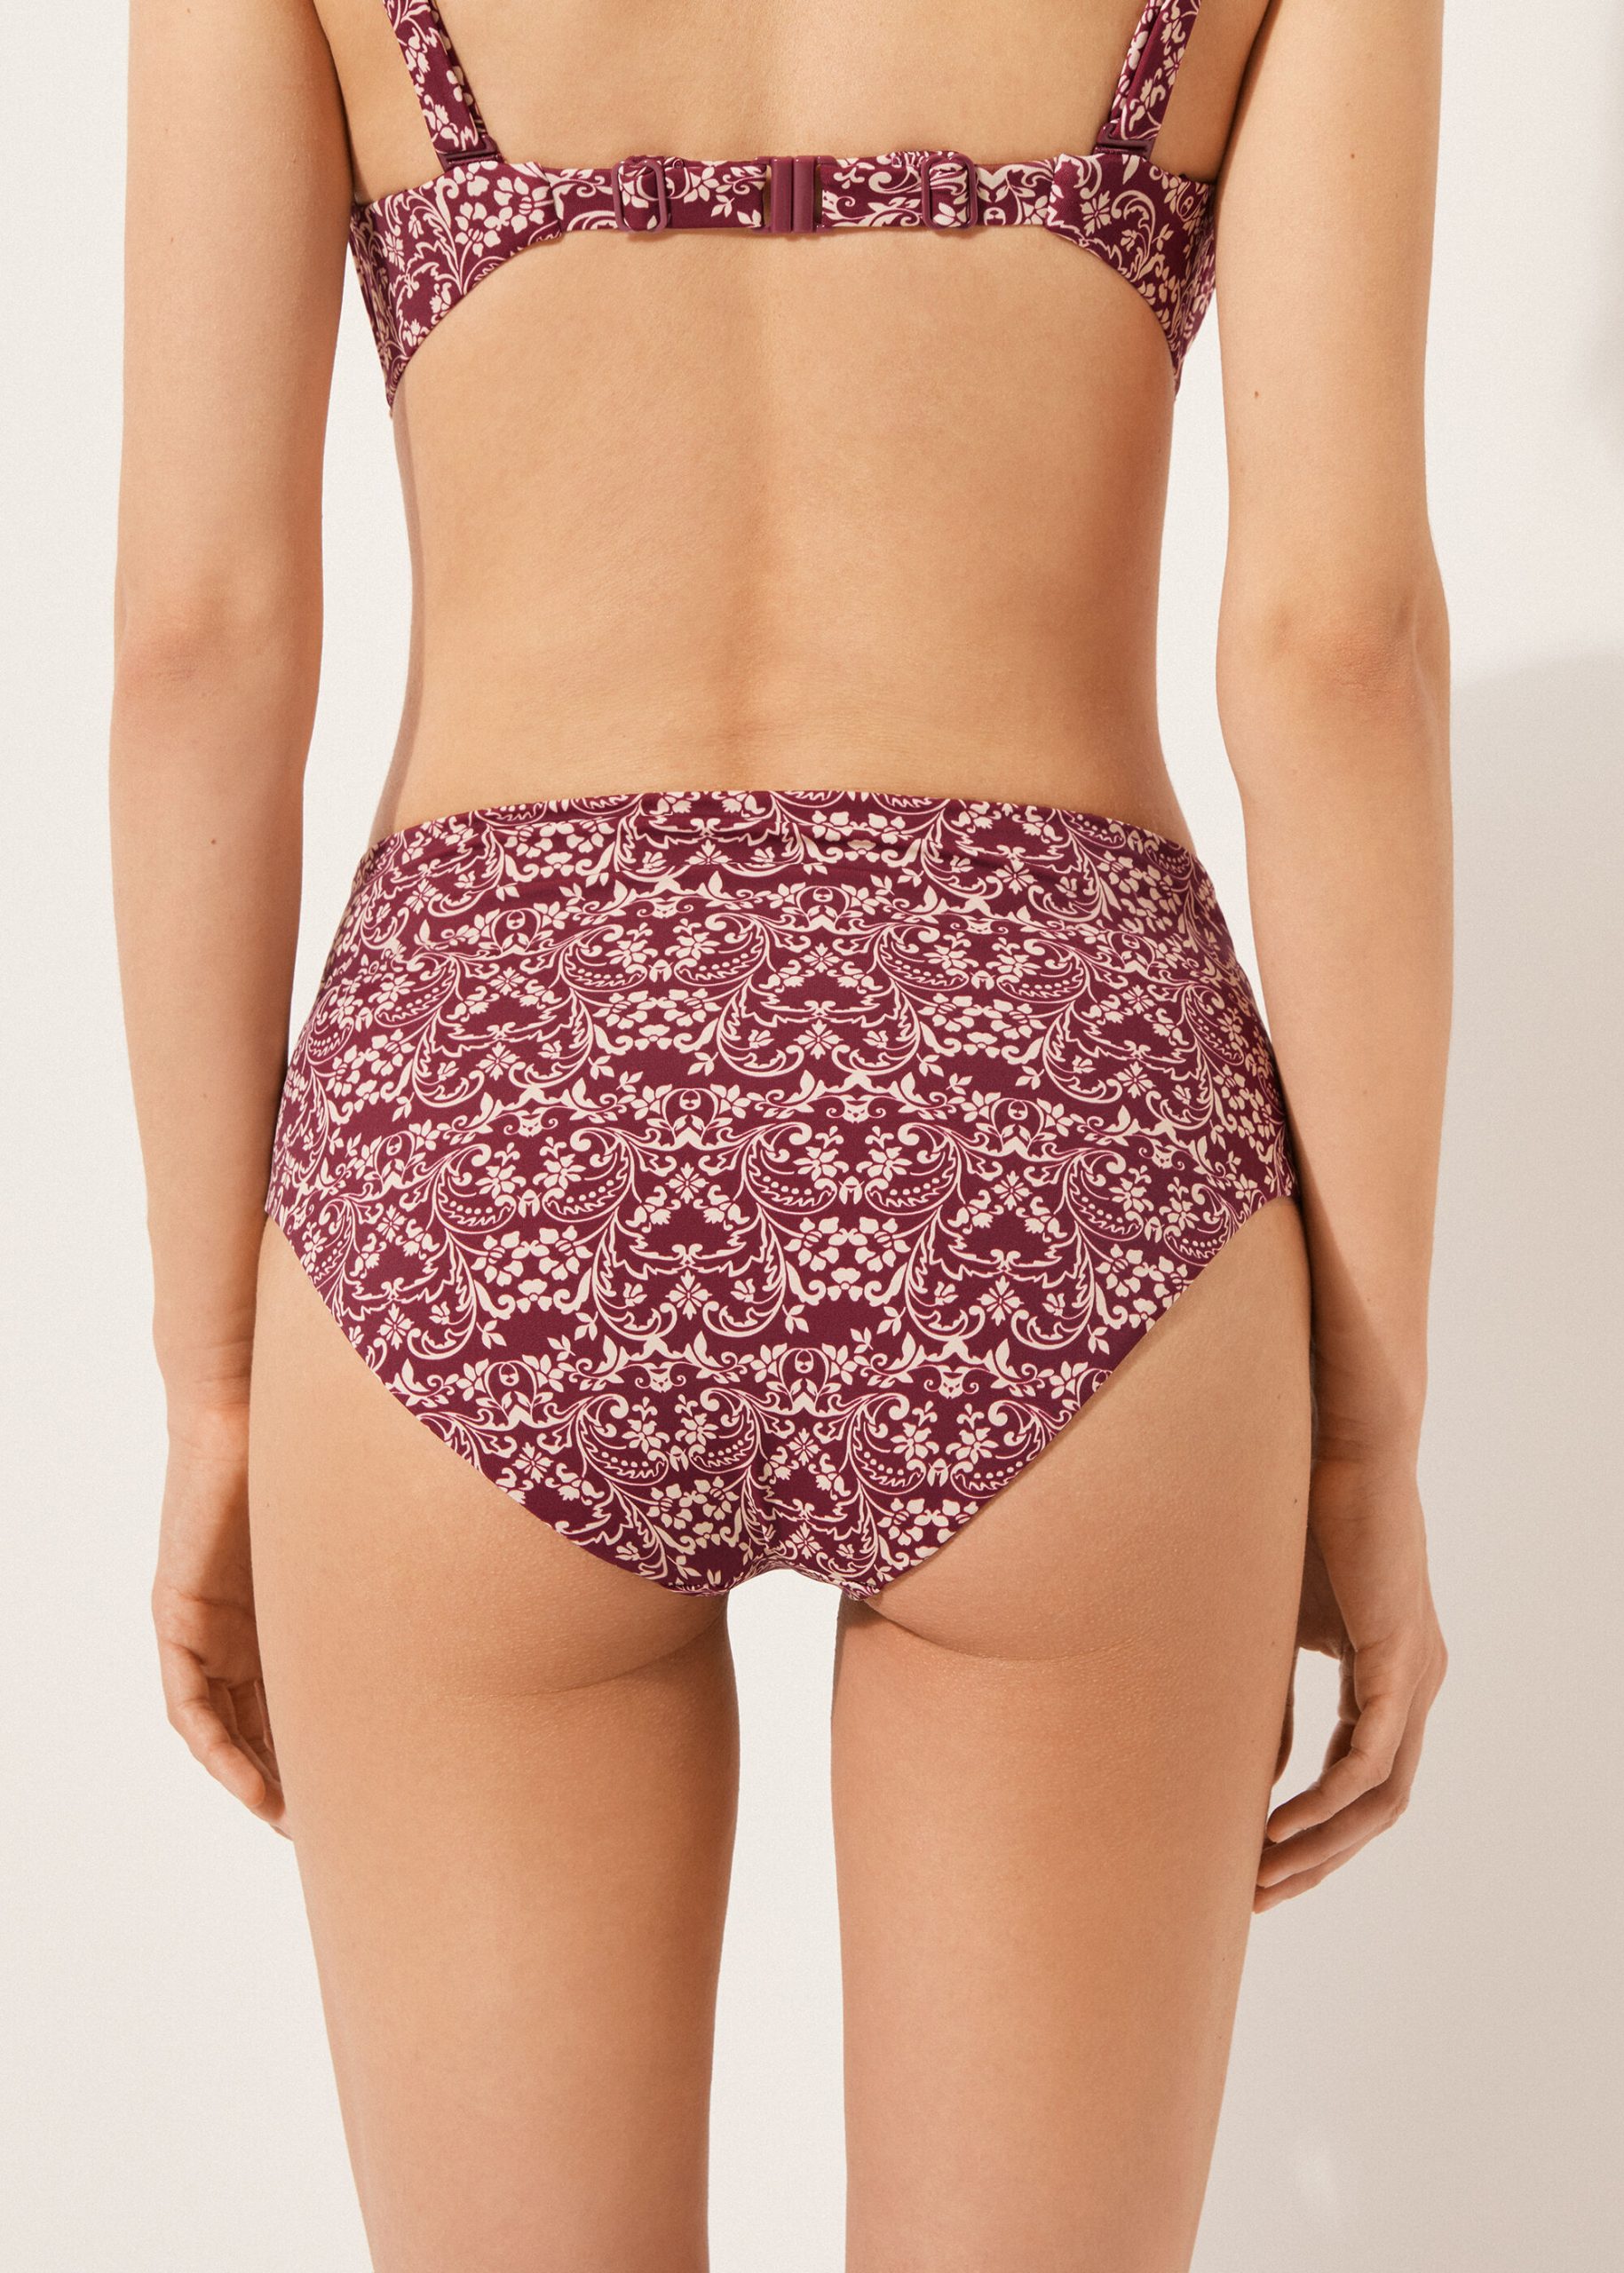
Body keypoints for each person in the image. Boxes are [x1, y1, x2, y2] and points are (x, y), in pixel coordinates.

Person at [112, 1, 1450, 2265]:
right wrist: (1367, 1429)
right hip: (1057, 1127)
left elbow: (199, 638)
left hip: (492, 1128)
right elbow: (1336, 642)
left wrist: (218, 1381)